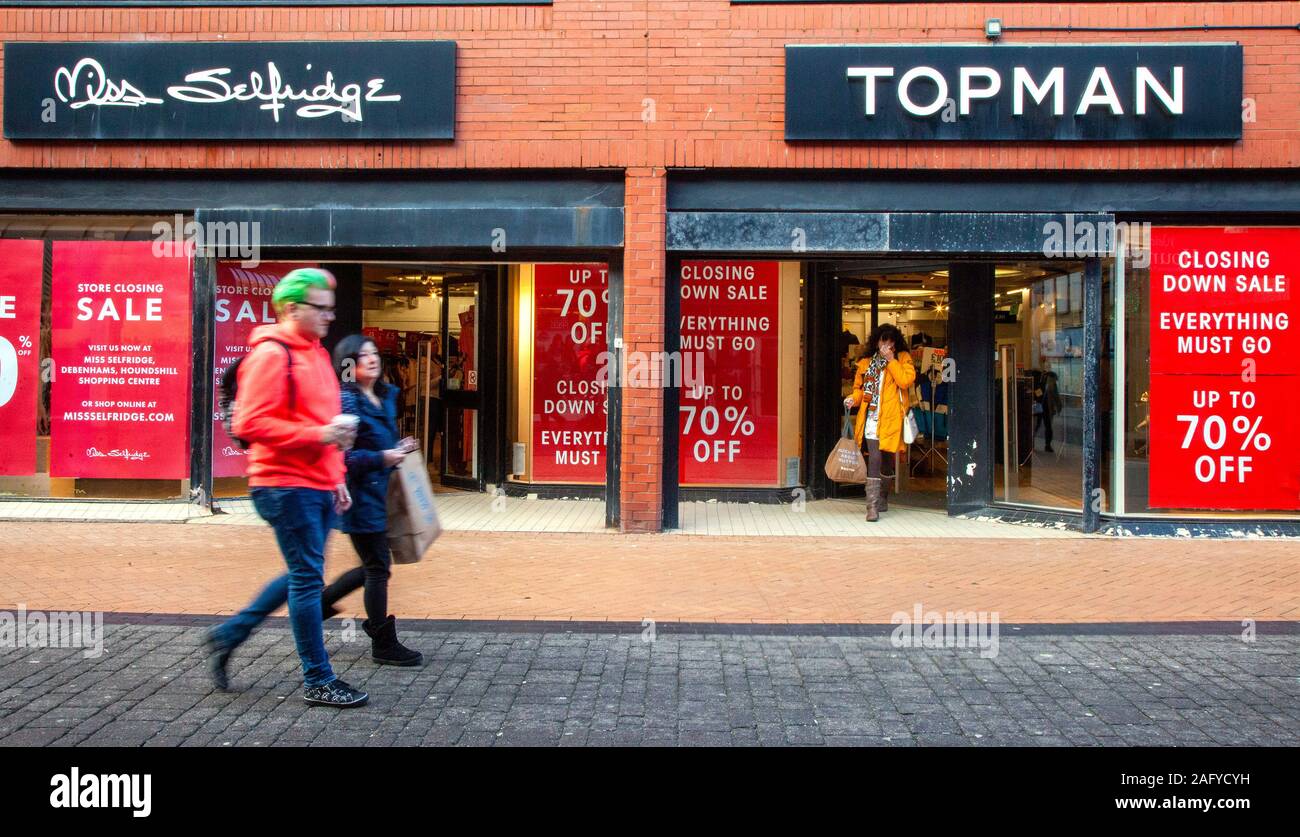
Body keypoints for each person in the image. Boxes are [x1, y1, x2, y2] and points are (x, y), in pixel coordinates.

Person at [205, 268, 370, 708]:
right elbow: (250, 423)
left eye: (331, 308)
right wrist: (322, 438)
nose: (329, 316)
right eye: (321, 308)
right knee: (307, 577)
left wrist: (336, 476)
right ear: (291, 308)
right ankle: (318, 678)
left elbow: (326, 422)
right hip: (283, 484)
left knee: (303, 573)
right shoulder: (272, 355)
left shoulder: (316, 354)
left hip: (318, 484)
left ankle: (229, 634)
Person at [320, 335, 424, 666]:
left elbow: (385, 442)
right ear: (348, 363)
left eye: (375, 353)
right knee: (379, 567)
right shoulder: (347, 403)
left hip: (381, 495)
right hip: (358, 496)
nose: (373, 359)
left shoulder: (383, 397)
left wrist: (400, 447)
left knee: (373, 566)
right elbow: (344, 457)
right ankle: (382, 640)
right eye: (363, 355)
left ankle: (319, 605)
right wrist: (384, 456)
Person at [844, 323, 916, 522]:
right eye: (883, 340)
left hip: (891, 418)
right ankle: (872, 507)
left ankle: (883, 496)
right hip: (871, 418)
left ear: (895, 343)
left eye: (890, 341)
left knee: (886, 460)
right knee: (874, 457)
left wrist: (891, 360)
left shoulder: (903, 359)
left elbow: (904, 381)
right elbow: (860, 389)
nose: (886, 345)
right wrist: (853, 398)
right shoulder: (866, 363)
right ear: (876, 342)